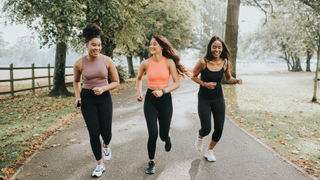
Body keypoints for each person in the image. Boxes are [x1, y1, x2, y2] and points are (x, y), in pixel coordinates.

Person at [136, 35, 191, 174]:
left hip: (165, 99)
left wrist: (163, 91)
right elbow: (139, 78)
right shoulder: (145, 63)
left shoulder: (169, 62)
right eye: (150, 44)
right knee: (153, 134)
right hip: (150, 100)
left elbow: (177, 83)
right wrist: (139, 93)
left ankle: (167, 138)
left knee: (162, 135)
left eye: (155, 44)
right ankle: (151, 162)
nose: (152, 46)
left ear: (161, 46)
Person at [73, 23, 119, 178]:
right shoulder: (79, 63)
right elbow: (76, 81)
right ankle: (100, 164)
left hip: (104, 97)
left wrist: (103, 89)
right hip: (88, 99)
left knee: (106, 132)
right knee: (94, 132)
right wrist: (78, 97)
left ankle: (106, 145)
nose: (97, 48)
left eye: (99, 45)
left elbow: (116, 82)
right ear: (87, 45)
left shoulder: (107, 61)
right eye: (93, 45)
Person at [191, 36, 242, 161]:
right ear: (210, 48)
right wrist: (205, 84)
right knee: (206, 128)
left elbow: (228, 78)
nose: (217, 50)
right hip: (204, 99)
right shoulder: (203, 61)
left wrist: (235, 80)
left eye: (219, 47)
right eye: (214, 47)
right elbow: (193, 76)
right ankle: (200, 135)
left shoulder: (225, 62)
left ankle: (209, 151)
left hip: (218, 98)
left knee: (219, 128)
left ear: (222, 48)